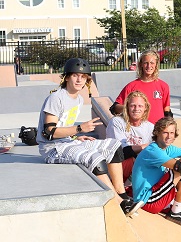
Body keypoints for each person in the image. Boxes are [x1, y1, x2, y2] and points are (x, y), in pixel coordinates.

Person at [37, 58, 126, 199]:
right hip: (52, 149)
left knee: (114, 146)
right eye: (75, 76)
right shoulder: (56, 98)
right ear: (66, 77)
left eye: (83, 77)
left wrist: (75, 137)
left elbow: (64, 125)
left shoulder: (78, 99)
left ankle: (122, 194)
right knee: (95, 158)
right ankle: (116, 201)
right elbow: (49, 132)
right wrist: (79, 129)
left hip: (66, 142)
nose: (79, 80)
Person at [106, 90, 154, 183]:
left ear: (145, 108)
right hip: (118, 166)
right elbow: (122, 152)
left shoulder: (150, 127)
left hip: (141, 166)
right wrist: (145, 146)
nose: (136, 109)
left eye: (140, 106)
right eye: (133, 105)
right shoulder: (116, 122)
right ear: (127, 107)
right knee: (136, 158)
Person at [112, 50, 171, 123]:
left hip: (157, 130)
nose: (149, 66)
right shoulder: (131, 86)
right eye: (146, 63)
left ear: (156, 65)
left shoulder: (163, 86)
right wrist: (130, 109)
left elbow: (167, 110)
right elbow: (115, 108)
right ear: (141, 65)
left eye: (152, 63)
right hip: (137, 130)